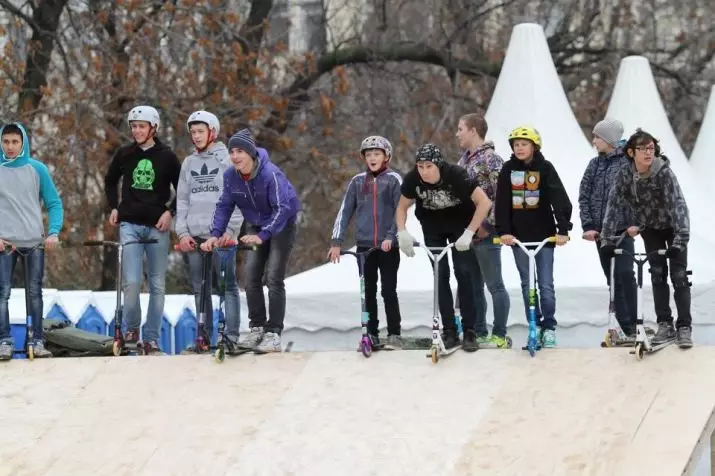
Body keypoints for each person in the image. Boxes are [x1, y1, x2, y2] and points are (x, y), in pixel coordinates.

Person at [202, 129, 300, 353]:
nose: (235, 156)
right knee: (251, 276)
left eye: (240, 151)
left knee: (273, 277)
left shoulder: (270, 174)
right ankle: (257, 328)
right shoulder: (230, 176)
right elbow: (224, 205)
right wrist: (215, 234)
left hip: (282, 222)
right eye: (232, 152)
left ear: (251, 153)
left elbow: (283, 208)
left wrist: (262, 235)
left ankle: (273, 333)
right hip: (255, 222)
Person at [395, 143, 492, 352]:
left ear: (439, 165)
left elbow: (484, 202)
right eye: (420, 166)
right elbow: (402, 207)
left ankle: (469, 331)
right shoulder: (413, 178)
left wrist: (469, 232)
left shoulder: (457, 174)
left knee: (464, 273)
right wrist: (401, 231)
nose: (424, 171)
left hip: (460, 225)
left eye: (428, 166)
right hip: (432, 228)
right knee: (441, 275)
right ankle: (449, 331)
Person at [600, 129, 692, 348]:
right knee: (657, 274)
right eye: (643, 149)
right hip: (650, 228)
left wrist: (680, 240)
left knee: (679, 275)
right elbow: (613, 205)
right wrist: (606, 239)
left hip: (673, 227)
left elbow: (678, 204)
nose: (648, 153)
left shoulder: (663, 172)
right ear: (631, 152)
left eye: (651, 148)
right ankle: (665, 324)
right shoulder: (625, 174)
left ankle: (684, 327)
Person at [104, 105, 181, 354]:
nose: (136, 131)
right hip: (130, 225)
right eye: (134, 126)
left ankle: (151, 338)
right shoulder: (125, 154)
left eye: (141, 126)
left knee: (157, 284)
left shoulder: (167, 156)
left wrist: (171, 211)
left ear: (153, 128)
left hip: (157, 227)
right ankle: (132, 330)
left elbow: (184, 188)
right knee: (132, 282)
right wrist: (114, 206)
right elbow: (109, 180)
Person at [494, 126, 572, 349]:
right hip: (518, 238)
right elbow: (502, 204)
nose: (519, 148)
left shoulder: (545, 168)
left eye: (524, 144)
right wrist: (504, 232)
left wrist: (563, 230)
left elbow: (559, 199)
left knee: (546, 285)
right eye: (516, 144)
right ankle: (534, 325)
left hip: (545, 238)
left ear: (534, 147)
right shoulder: (507, 170)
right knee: (528, 283)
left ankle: (549, 327)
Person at [328, 135, 404, 349]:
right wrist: (336, 241)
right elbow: (344, 212)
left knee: (388, 290)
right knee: (367, 291)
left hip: (388, 246)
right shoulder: (357, 181)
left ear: (386, 156)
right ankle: (371, 334)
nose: (372, 158)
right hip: (364, 247)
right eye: (368, 154)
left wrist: (391, 237)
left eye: (376, 154)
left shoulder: (394, 180)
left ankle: (394, 334)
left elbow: (401, 212)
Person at [175, 111, 243, 352]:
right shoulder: (188, 163)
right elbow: (181, 201)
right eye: (193, 132)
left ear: (212, 132)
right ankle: (202, 338)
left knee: (227, 287)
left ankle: (230, 337)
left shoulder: (227, 159)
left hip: (221, 236)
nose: (196, 136)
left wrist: (231, 230)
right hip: (195, 237)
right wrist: (182, 233)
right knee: (199, 288)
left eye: (200, 131)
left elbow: (238, 196)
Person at [0, 122, 64, 360]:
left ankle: (36, 339)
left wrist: (54, 232)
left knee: (34, 292)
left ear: (23, 142)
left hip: (34, 242)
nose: (10, 146)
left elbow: (54, 203)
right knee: (2, 292)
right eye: (6, 141)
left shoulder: (37, 169)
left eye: (15, 142)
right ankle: (3, 341)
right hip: (4, 243)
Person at [455, 113, 511, 349]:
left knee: (494, 284)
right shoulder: (461, 163)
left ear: (474, 131)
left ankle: (499, 333)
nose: (457, 133)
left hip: (487, 235)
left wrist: (487, 226)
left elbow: (501, 197)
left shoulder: (492, 159)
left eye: (460, 128)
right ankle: (478, 331)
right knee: (473, 286)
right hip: (465, 234)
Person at [579, 118, 638, 340]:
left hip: (622, 231)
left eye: (597, 137)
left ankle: (634, 324)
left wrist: (634, 223)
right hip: (600, 234)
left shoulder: (628, 163)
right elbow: (584, 195)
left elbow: (637, 196)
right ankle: (624, 327)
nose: (593, 141)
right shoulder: (594, 165)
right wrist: (589, 225)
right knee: (611, 278)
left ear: (609, 140)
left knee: (625, 274)